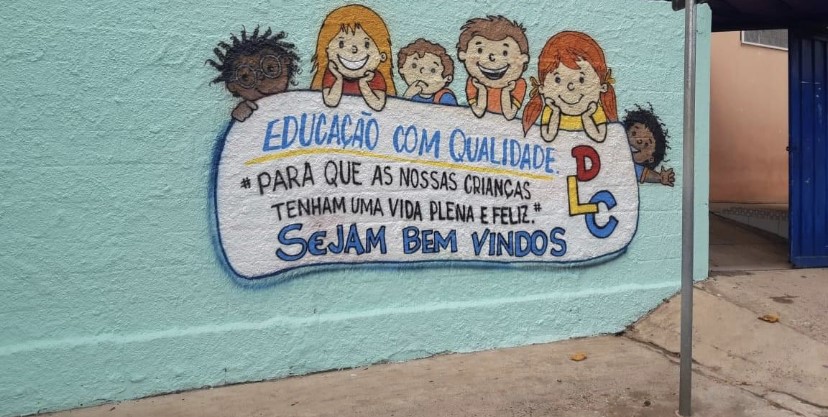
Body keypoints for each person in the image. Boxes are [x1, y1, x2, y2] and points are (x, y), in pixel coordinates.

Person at [521, 31, 618, 143]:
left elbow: (600, 136)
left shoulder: (593, 109)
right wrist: (555, 113)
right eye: (558, 79)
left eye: (581, 79)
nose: (570, 87)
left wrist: (586, 117)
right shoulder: (551, 109)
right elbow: (547, 136)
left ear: (602, 87)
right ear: (542, 88)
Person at [310, 4, 396, 111]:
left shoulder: (374, 77)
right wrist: (339, 78)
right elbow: (330, 101)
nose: (354, 50)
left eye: (366, 45)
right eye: (341, 44)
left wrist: (363, 83)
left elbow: (378, 105)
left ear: (382, 56)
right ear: (327, 50)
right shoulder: (332, 74)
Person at [207, 27, 300, 122]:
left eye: (271, 69)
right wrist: (238, 119)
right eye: (246, 77)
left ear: (285, 61)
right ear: (232, 86)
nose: (262, 79)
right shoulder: (247, 112)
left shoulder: (300, 101)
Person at [456, 16, 529, 120]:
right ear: (463, 55)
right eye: (480, 50)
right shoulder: (474, 82)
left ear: (523, 58)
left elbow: (509, 115)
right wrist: (481, 89)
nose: (492, 57)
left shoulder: (518, 84)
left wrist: (506, 91)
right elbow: (478, 112)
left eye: (505, 52)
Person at [623, 104, 675, 186]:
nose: (639, 140)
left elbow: (645, 174)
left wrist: (660, 178)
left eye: (646, 144)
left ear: (650, 158)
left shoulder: (630, 168)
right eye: (634, 133)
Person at [397, 39, 457, 106]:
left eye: (433, 70)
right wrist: (407, 96)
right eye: (414, 66)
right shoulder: (411, 96)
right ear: (402, 70)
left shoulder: (445, 97)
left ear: (447, 78)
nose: (422, 71)